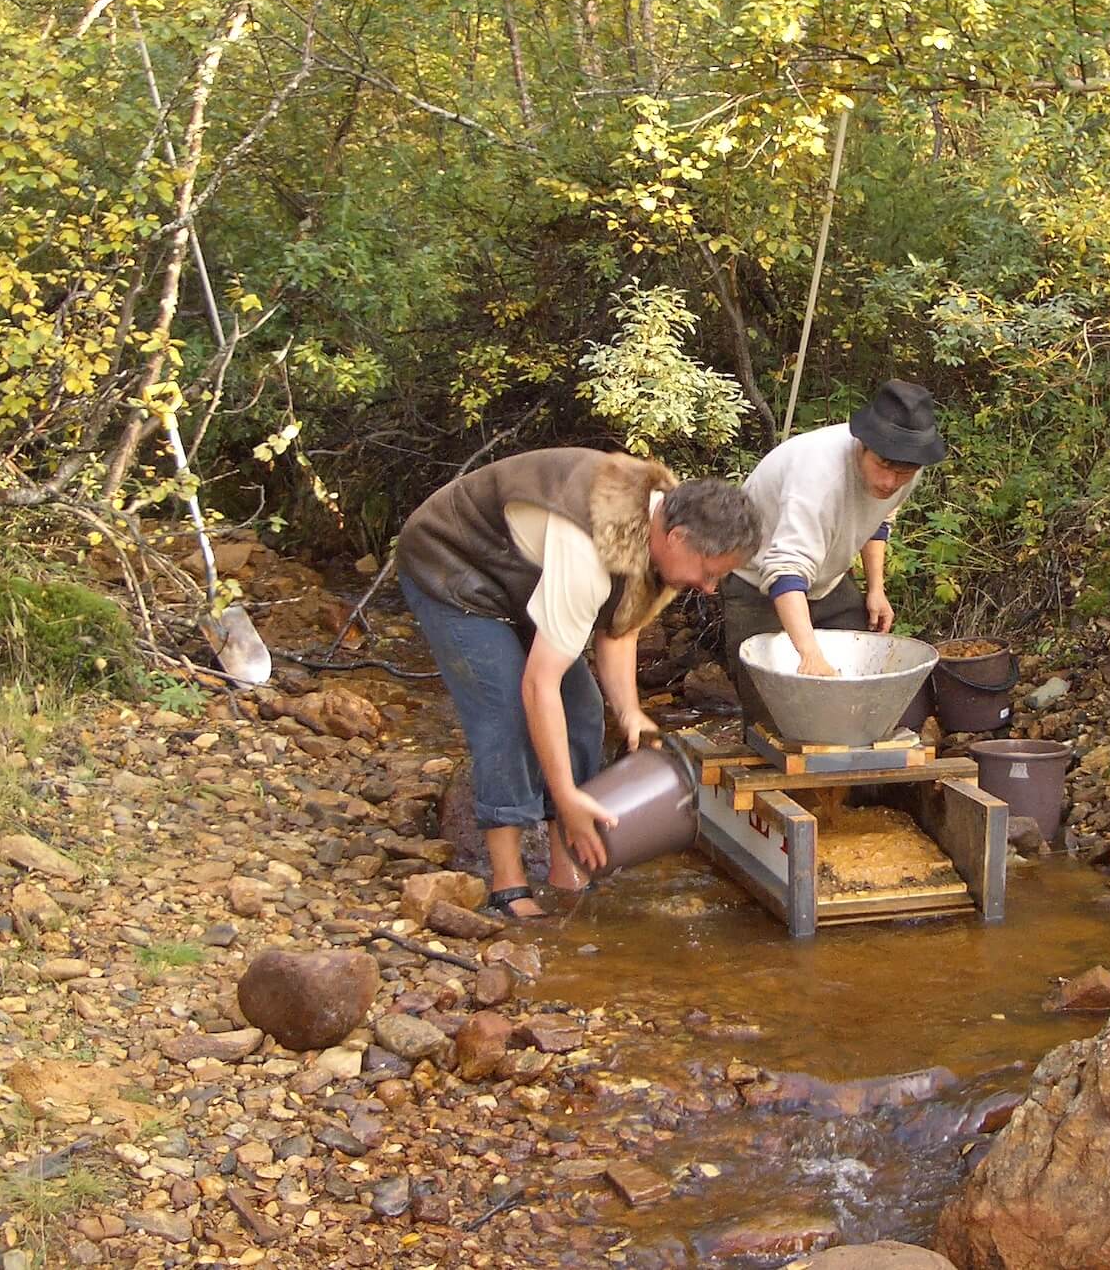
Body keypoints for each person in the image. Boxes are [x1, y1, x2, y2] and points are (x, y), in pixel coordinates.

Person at [396, 448, 761, 918]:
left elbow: (619, 628)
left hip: (523, 577)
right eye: (710, 574)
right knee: (505, 710)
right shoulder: (587, 545)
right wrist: (566, 795)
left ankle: (565, 862)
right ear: (676, 538)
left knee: (585, 711)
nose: (710, 588)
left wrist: (630, 712)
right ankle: (508, 886)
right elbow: (538, 688)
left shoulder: (668, 535)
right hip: (452, 564)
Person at [721, 380, 947, 730]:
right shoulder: (818, 476)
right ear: (863, 444)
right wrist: (809, 654)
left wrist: (876, 588)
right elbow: (785, 569)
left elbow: (878, 518)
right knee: (776, 716)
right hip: (757, 579)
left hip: (827, 579)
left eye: (903, 473)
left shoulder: (906, 468)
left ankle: (852, 779)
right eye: (883, 466)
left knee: (857, 694)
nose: (890, 482)